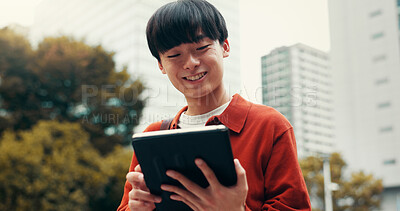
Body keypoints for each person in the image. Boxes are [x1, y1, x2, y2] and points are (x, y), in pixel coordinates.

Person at [117, 0, 311, 210]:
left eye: (201, 47)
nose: (190, 63)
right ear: (161, 65)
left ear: (225, 47)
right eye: (174, 55)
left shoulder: (269, 126)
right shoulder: (152, 136)